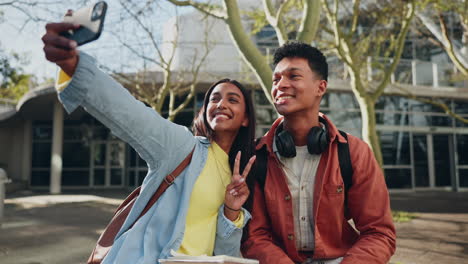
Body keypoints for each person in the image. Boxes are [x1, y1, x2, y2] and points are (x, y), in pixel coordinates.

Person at [41, 22, 257, 264]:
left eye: (233, 99)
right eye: (214, 99)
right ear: (204, 111)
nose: (221, 104)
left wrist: (231, 211)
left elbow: (224, 251)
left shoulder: (237, 178)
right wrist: (74, 66)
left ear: (246, 117)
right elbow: (130, 113)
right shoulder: (183, 146)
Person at [241, 42, 396, 264]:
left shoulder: (354, 152)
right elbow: (254, 236)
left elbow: (379, 233)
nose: (281, 85)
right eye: (276, 79)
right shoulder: (257, 156)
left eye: (293, 76)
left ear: (320, 87)